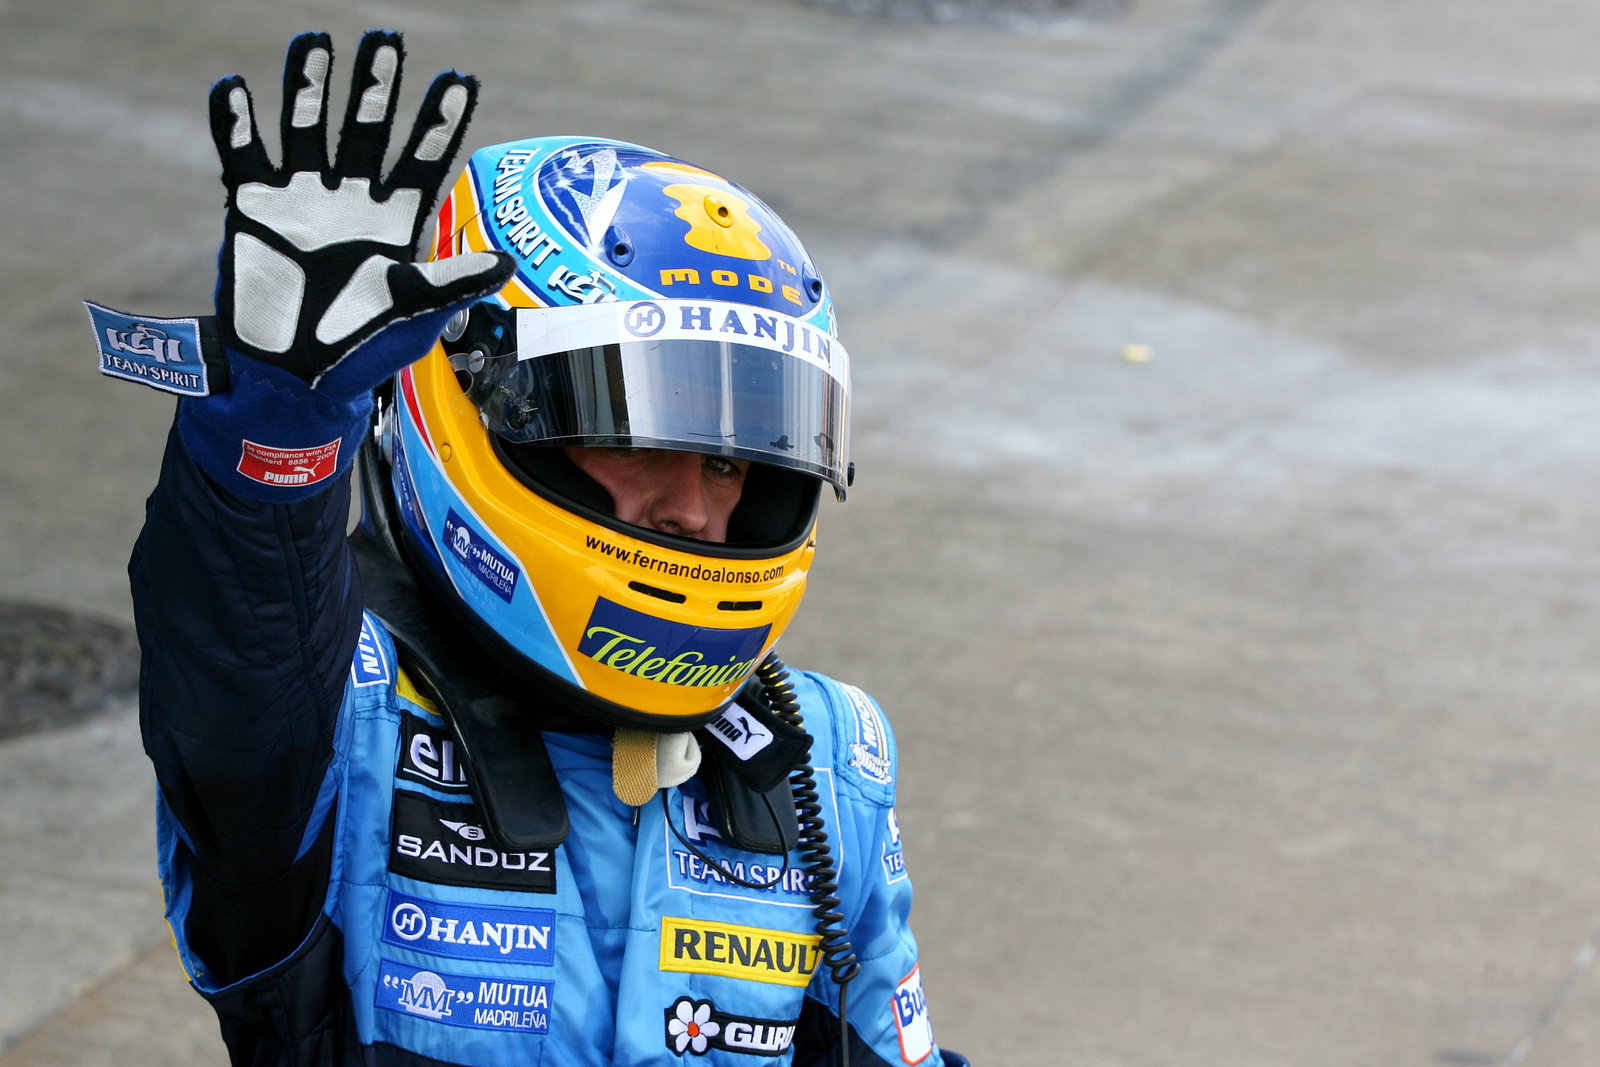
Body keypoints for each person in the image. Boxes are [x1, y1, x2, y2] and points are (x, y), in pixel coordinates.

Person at [89, 29, 967, 1066]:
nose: (695, 508)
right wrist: (278, 435)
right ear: (480, 404)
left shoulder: (825, 758)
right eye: (643, 441)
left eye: (732, 465)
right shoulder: (342, 716)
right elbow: (237, 672)